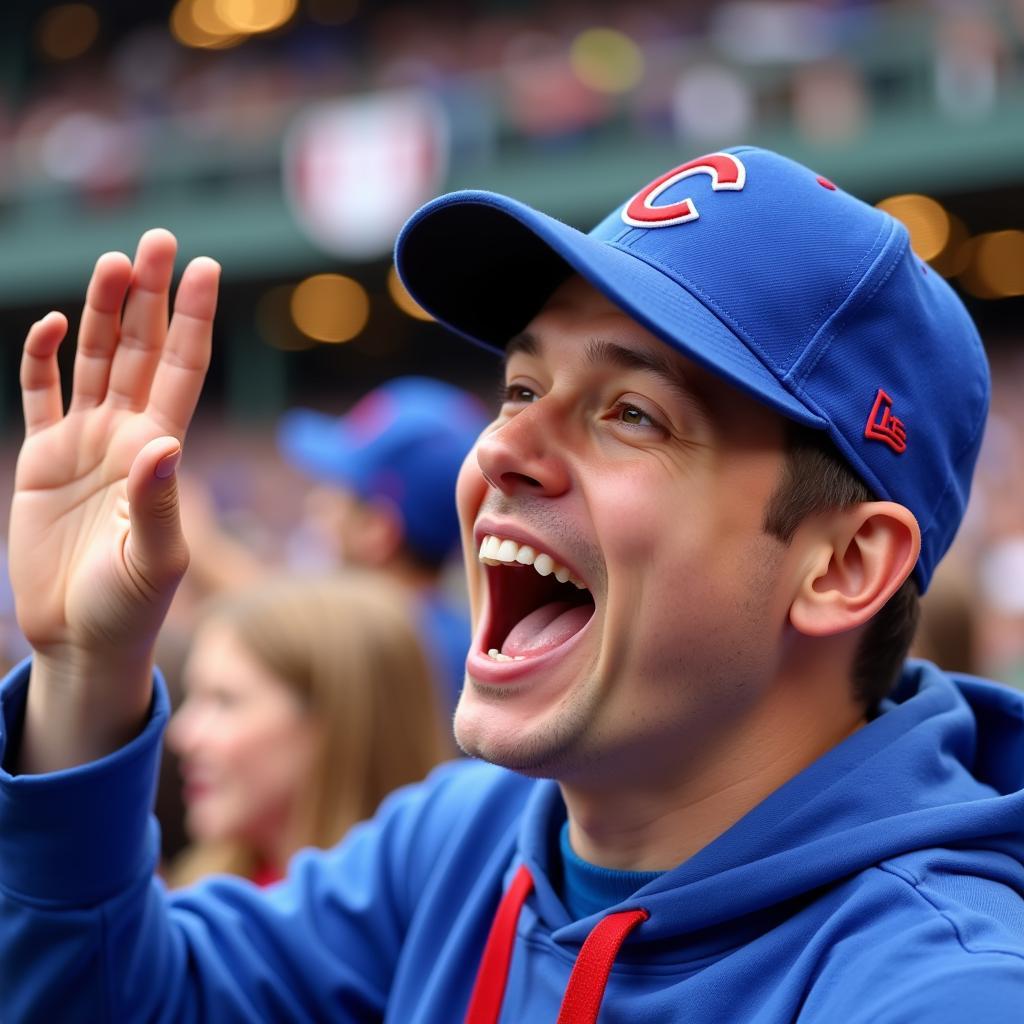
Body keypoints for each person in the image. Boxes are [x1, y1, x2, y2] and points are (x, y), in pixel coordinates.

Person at [1, 148, 1022, 1023]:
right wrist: (88, 672)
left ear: (842, 566)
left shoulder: (938, 984)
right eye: (522, 387)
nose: (501, 445)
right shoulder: (467, 834)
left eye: (631, 412)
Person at [166, 572, 452, 888]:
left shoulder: (435, 919)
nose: (182, 735)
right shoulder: (203, 901)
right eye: (192, 696)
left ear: (335, 722)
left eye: (225, 701)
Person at [276, 378, 489, 713]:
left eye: (334, 492)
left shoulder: (364, 647)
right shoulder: (463, 640)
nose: (316, 505)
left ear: (375, 530)